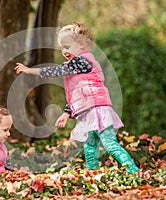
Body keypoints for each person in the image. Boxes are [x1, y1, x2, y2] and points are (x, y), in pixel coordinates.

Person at [15, 22, 139, 173]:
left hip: (98, 110)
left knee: (110, 145)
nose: (64, 51)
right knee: (90, 146)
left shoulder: (83, 61)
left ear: (81, 44)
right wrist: (66, 114)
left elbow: (57, 71)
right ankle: (93, 173)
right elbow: (76, 95)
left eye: (67, 46)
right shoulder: (74, 65)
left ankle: (133, 171)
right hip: (89, 112)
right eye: (62, 47)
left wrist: (30, 71)